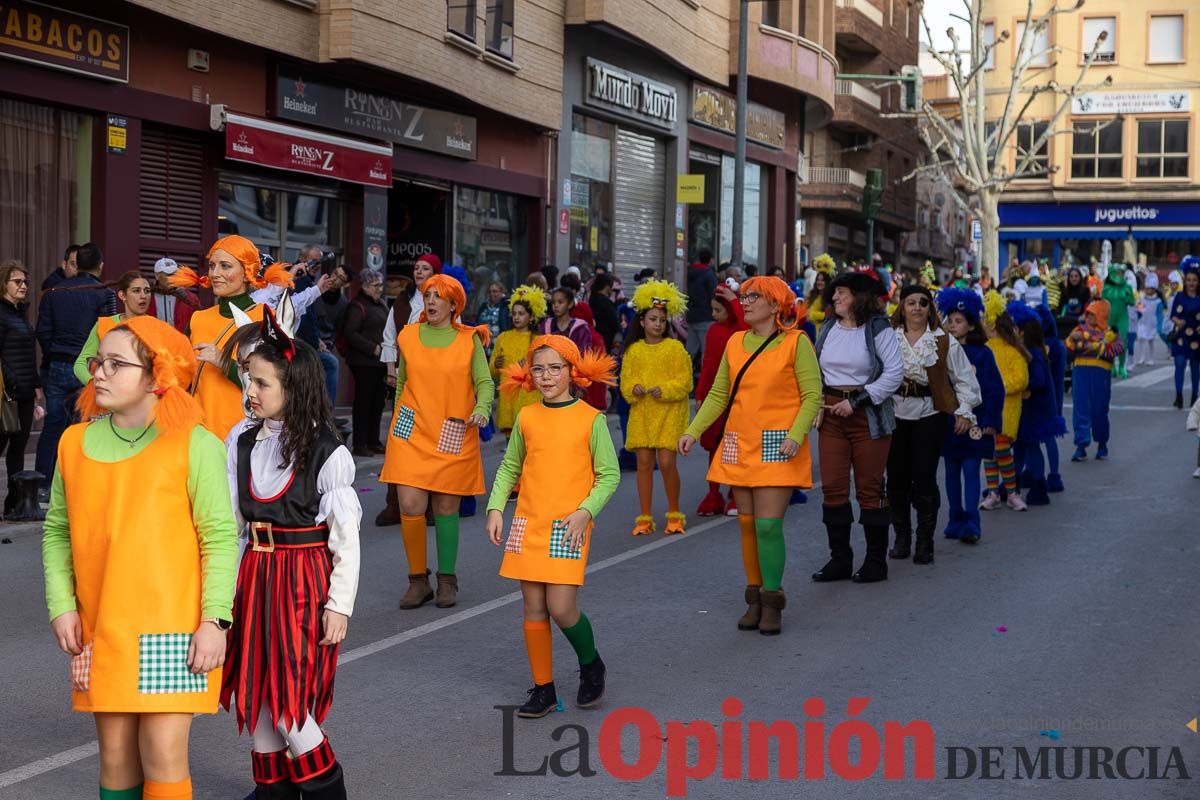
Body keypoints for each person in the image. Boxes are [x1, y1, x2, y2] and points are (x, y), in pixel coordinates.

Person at [41, 316, 238, 800]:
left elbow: (219, 537)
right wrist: (61, 605)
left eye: (117, 364)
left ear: (158, 376)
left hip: (175, 627)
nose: (100, 373)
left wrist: (215, 620)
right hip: (102, 625)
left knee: (163, 753)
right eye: (98, 362)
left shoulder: (196, 444)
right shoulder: (73, 443)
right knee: (115, 756)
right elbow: (57, 531)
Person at [222, 310, 360, 800]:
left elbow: (346, 538)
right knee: (256, 687)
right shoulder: (240, 441)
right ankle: (273, 793)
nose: (250, 391)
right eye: (249, 380)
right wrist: (223, 596)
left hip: (302, 583)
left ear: (293, 388)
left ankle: (327, 792)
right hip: (254, 576)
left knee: (289, 702)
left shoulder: (327, 451)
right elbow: (233, 529)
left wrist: (338, 605)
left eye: (262, 382)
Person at [679, 276, 821, 635]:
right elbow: (719, 394)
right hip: (738, 442)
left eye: (753, 297)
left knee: (768, 526)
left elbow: (812, 396)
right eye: (744, 296)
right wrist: (693, 431)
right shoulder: (735, 342)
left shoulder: (797, 342)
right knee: (746, 524)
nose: (744, 302)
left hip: (778, 444)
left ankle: (772, 600)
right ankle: (754, 599)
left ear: (775, 305)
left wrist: (796, 435)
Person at [486, 336, 619, 717]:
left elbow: (608, 475)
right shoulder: (527, 417)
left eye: (555, 368)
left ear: (572, 372)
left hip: (568, 525)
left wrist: (586, 512)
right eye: (539, 369)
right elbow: (510, 466)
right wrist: (496, 507)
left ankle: (591, 663)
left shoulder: (591, 419)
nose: (546, 376)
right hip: (528, 522)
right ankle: (543, 689)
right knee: (533, 608)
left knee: (561, 608)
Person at [383, 274, 494, 610]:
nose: (430, 301)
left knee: (446, 508)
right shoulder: (408, 335)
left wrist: (482, 409)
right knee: (410, 505)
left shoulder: (469, 339)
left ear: (453, 305)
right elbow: (403, 384)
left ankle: (447, 580)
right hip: (410, 430)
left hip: (451, 430)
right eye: (427, 295)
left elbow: (485, 383)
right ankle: (417, 581)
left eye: (437, 297)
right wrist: (396, 425)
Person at [810, 269, 903, 585]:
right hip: (831, 415)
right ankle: (840, 559)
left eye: (842, 292)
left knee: (870, 488)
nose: (834, 296)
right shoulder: (828, 327)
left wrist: (858, 401)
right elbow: (815, 369)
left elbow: (894, 374)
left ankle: (876, 561)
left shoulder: (878, 328)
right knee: (833, 487)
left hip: (868, 417)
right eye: (835, 292)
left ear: (859, 298)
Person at [886, 285, 981, 565]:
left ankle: (924, 541)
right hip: (893, 414)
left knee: (924, 477)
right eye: (911, 302)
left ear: (930, 309)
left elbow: (965, 380)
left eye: (923, 303)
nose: (917, 307)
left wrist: (964, 411)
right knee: (896, 477)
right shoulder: (888, 338)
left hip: (930, 413)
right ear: (902, 307)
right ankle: (902, 537)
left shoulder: (943, 340)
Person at [170, 236, 294, 439]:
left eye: (225, 266)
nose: (215, 273)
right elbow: (179, 376)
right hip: (197, 434)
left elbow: (281, 381)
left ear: (247, 273)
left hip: (244, 437)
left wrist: (224, 362)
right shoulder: (198, 318)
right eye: (212, 266)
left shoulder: (266, 318)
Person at [35, 241, 117, 496]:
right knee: (88, 426)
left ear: (76, 264)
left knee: (52, 426)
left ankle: (42, 485)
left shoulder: (53, 293)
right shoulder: (104, 293)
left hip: (58, 363)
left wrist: (55, 353)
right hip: (90, 367)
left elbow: (43, 332)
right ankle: (79, 484)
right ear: (100, 266)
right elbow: (109, 334)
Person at [620, 280, 691, 537]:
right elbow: (625, 381)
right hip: (643, 413)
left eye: (661, 320)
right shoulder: (633, 351)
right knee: (643, 463)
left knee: (667, 462)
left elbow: (685, 381)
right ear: (642, 321)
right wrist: (634, 388)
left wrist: (666, 389)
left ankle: (674, 514)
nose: (657, 324)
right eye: (652, 319)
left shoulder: (675, 348)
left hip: (669, 413)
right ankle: (644, 518)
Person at [937, 289, 1004, 544]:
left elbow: (994, 389)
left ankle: (972, 522)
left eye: (959, 321)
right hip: (948, 423)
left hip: (976, 423)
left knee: (971, 470)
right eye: (950, 320)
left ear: (971, 325)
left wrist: (990, 421)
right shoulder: (941, 350)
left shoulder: (982, 353)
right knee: (951, 472)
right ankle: (954, 519)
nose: (953, 325)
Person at [693, 284, 749, 517]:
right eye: (712, 309)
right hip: (716, 394)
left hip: (739, 396)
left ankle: (735, 494)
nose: (713, 315)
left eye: (718, 310)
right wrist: (700, 394)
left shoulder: (742, 330)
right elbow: (707, 365)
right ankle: (713, 493)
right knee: (714, 446)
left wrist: (734, 300)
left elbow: (746, 324)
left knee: (734, 446)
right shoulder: (713, 330)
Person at [0, 260, 45, 515]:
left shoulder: (19, 313)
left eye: (25, 281)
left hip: (25, 391)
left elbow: (28, 353)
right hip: (7, 393)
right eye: (17, 281)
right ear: (3, 284)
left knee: (18, 448)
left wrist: (36, 383)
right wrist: (11, 381)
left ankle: (15, 503)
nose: (24, 286)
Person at [979, 296, 1030, 510]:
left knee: (1001, 450)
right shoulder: (984, 348)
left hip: (1007, 410)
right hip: (987, 409)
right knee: (989, 453)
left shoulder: (1012, 350)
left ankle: (1011, 492)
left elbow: (1021, 379)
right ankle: (994, 493)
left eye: (985, 319)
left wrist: (997, 387)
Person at [1009, 301, 1061, 506]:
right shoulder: (1030, 351)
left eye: (1015, 328)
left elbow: (1038, 380)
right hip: (1031, 409)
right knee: (1021, 448)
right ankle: (1012, 483)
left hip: (1036, 410)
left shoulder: (1035, 354)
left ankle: (1039, 485)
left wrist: (1023, 386)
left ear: (1023, 331)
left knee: (1031, 447)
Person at [341, 268, 390, 456]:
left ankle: (373, 441)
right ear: (365, 286)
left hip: (379, 362)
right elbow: (350, 333)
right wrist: (372, 348)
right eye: (375, 285)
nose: (380, 289)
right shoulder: (357, 306)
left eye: (381, 285)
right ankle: (360, 444)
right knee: (364, 403)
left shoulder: (381, 304)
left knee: (377, 403)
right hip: (363, 362)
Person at [74, 271, 154, 385]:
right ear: (122, 295)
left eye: (147, 291)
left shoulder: (158, 328)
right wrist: (95, 384)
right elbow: (81, 363)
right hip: (109, 393)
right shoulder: (104, 325)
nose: (143, 296)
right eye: (136, 291)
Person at [1066, 299, 1122, 462]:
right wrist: (1072, 339)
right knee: (1081, 409)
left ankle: (1102, 444)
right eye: (1088, 314)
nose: (1089, 317)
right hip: (1081, 373)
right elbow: (1068, 347)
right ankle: (1081, 445)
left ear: (1101, 315)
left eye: (1093, 314)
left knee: (1100, 410)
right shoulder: (1079, 329)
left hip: (1100, 375)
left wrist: (1098, 347)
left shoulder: (1110, 333)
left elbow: (1118, 348)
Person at [490, 285, 546, 435]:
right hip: (508, 400)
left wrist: (529, 367)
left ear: (532, 316)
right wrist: (495, 364)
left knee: (529, 442)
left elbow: (544, 370)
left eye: (521, 313)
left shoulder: (538, 340)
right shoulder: (503, 338)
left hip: (529, 398)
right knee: (511, 444)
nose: (516, 317)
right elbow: (492, 371)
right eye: (514, 313)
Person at [1035, 304, 1068, 493]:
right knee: (1047, 438)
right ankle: (1053, 475)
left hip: (1044, 397)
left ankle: (1043, 475)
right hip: (1055, 396)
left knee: (1037, 439)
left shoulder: (1046, 346)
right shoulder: (1058, 345)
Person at [1168, 258, 1200, 408]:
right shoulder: (1179, 296)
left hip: (1196, 337)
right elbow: (1172, 315)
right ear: (1185, 281)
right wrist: (1178, 321)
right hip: (1180, 335)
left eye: (1194, 280)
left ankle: (1194, 396)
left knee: (1195, 367)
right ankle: (1179, 395)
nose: (1191, 283)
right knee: (1179, 364)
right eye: (1189, 280)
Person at [1102, 264, 1137, 380]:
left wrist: (1127, 298)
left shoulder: (1127, 287)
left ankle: (1122, 366)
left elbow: (1132, 302)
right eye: (1118, 273)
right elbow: (1102, 303)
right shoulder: (1106, 288)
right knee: (1110, 341)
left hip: (1123, 318)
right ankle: (1112, 366)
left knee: (1122, 341)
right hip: (1110, 318)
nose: (1120, 275)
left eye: (1122, 273)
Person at [149, 258, 199, 333]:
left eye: (175, 274)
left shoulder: (190, 298)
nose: (173, 278)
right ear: (157, 276)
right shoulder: (147, 298)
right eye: (168, 274)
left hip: (182, 340)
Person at [686, 249, 717, 368]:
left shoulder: (691, 273)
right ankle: (705, 376)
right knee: (707, 351)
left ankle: (684, 373)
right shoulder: (709, 274)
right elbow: (713, 295)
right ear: (711, 260)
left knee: (690, 351)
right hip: (706, 316)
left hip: (692, 316)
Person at [539, 286, 593, 353]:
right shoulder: (546, 325)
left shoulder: (580, 328)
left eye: (560, 302)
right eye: (553, 302)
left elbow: (585, 352)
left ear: (570, 304)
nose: (556, 305)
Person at [1134, 273, 1163, 368]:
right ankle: (1141, 358)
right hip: (1143, 322)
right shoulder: (1143, 299)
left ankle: (1151, 358)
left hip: (1152, 323)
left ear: (1154, 289)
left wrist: (1159, 325)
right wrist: (1137, 309)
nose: (1147, 290)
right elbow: (1140, 311)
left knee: (1151, 341)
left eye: (1149, 289)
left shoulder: (1158, 301)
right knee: (1141, 339)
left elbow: (1159, 314)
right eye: (1146, 288)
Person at [588, 273, 620, 352]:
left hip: (593, 338)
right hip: (606, 340)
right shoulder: (606, 303)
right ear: (607, 287)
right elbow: (615, 323)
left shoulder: (591, 299)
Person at [476, 281, 511, 353]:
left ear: (502, 292)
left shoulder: (507, 306)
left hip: (499, 346)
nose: (491, 294)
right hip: (483, 346)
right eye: (490, 292)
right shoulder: (484, 306)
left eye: (495, 291)